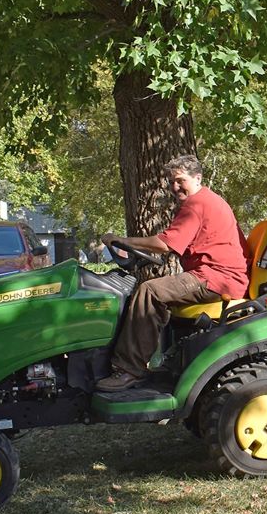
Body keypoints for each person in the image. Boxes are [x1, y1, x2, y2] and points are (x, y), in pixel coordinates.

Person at [96, 155, 250, 392]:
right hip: (217, 275)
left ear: (197, 178)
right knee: (152, 290)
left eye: (180, 180)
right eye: (171, 182)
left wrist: (122, 240)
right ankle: (160, 359)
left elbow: (165, 244)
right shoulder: (206, 201)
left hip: (217, 278)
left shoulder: (197, 204)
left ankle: (129, 370)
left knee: (150, 291)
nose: (175, 187)